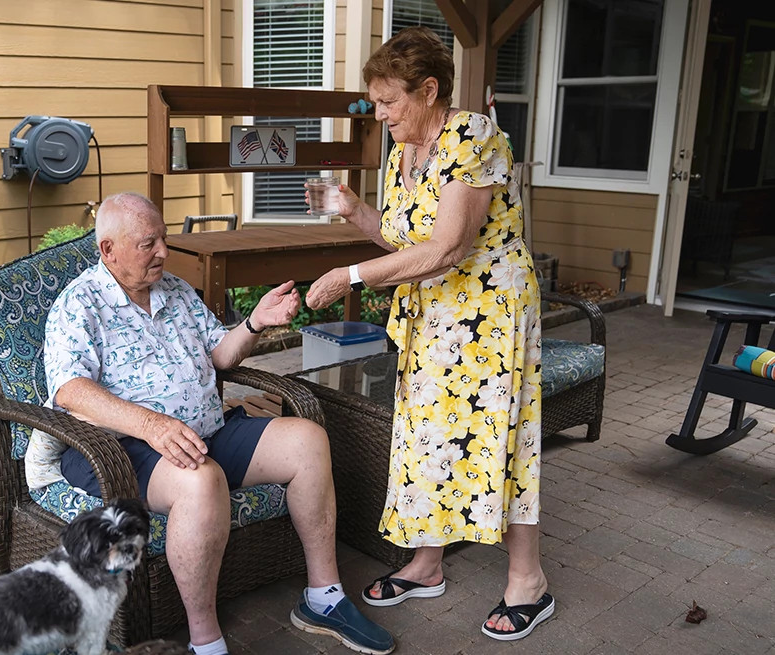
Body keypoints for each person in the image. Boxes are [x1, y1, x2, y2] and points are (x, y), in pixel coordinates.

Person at [33, 191, 395, 655]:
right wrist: (152, 426)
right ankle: (206, 642)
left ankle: (323, 598)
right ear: (109, 250)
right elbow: (70, 389)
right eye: (149, 244)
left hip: (205, 432)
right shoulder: (79, 305)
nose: (163, 251)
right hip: (122, 450)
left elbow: (219, 354)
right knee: (201, 482)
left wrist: (256, 322)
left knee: (308, 440)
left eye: (163, 239)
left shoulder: (177, 290)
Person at [305, 26, 552, 641]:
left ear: (429, 90)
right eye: (376, 101)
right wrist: (356, 213)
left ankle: (529, 581)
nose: (379, 112)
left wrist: (349, 275)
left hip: (490, 313)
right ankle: (427, 562)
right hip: (432, 316)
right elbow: (409, 248)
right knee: (423, 439)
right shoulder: (401, 153)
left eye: (389, 101)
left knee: (501, 435)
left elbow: (448, 248)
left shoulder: (473, 136)